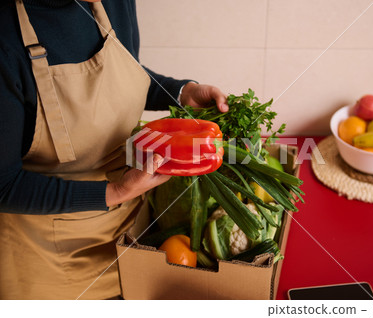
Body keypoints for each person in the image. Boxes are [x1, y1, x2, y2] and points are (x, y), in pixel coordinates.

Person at [0, 0, 228, 300]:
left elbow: (122, 77)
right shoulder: (5, 38)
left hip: (131, 233)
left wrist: (181, 92)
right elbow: (4, 185)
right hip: (49, 261)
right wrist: (116, 191)